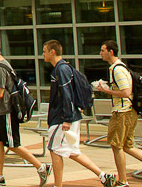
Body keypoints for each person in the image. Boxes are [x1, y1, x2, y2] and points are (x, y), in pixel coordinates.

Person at [0, 40, 51, 187]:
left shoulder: (0, 69)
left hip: (7, 112)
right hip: (1, 112)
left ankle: (41, 167)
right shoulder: (5, 65)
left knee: (13, 144)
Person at [42, 39, 116, 187]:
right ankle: (103, 176)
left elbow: (66, 94)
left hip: (63, 117)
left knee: (54, 150)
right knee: (72, 151)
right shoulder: (65, 68)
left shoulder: (61, 70)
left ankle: (58, 185)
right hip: (71, 115)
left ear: (52, 52)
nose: (42, 54)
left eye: (44, 51)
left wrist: (67, 119)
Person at [97, 39, 142, 187]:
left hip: (123, 112)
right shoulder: (120, 67)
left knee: (117, 146)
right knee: (127, 145)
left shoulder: (117, 69)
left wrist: (105, 90)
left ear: (111, 52)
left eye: (103, 50)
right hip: (128, 111)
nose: (100, 53)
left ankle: (123, 181)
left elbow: (126, 92)